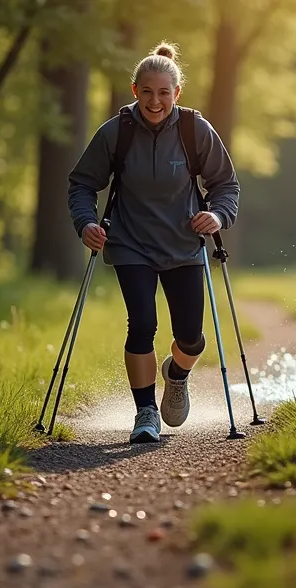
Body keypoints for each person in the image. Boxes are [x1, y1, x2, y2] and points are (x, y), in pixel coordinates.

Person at [67, 42, 241, 444]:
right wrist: (85, 223)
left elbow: (225, 184)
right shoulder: (116, 132)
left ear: (177, 93)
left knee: (191, 338)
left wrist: (216, 216)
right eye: (147, 92)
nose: (155, 100)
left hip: (184, 245)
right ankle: (145, 412)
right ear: (135, 91)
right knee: (142, 323)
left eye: (164, 92)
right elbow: (81, 184)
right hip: (131, 243)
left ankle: (176, 375)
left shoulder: (194, 130)